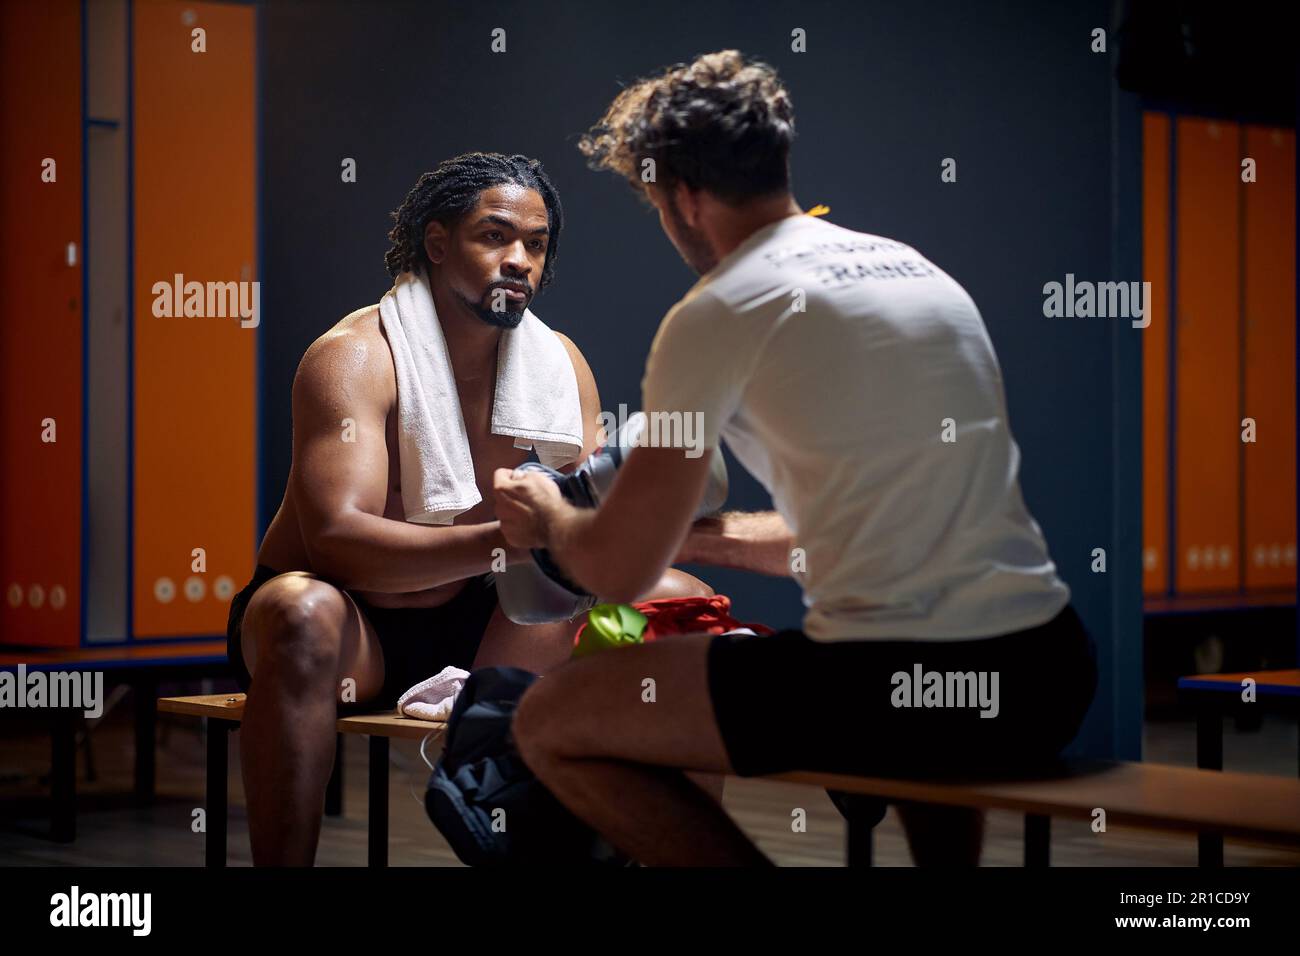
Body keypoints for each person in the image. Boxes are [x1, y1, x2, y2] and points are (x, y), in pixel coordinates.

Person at [494, 53, 1097, 867]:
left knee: (549, 723)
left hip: (896, 690)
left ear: (684, 199)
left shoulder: (716, 313)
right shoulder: (920, 274)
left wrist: (550, 518)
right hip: (1046, 676)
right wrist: (694, 537)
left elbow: (621, 574)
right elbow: (847, 537)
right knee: (909, 718)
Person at [228, 152, 710, 866]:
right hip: (348, 631)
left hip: (480, 628)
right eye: (495, 236)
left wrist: (614, 523)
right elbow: (334, 542)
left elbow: (584, 523)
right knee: (303, 613)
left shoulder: (559, 365)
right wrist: (516, 541)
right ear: (437, 242)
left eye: (536, 244)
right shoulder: (355, 357)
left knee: (681, 605)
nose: (520, 259)